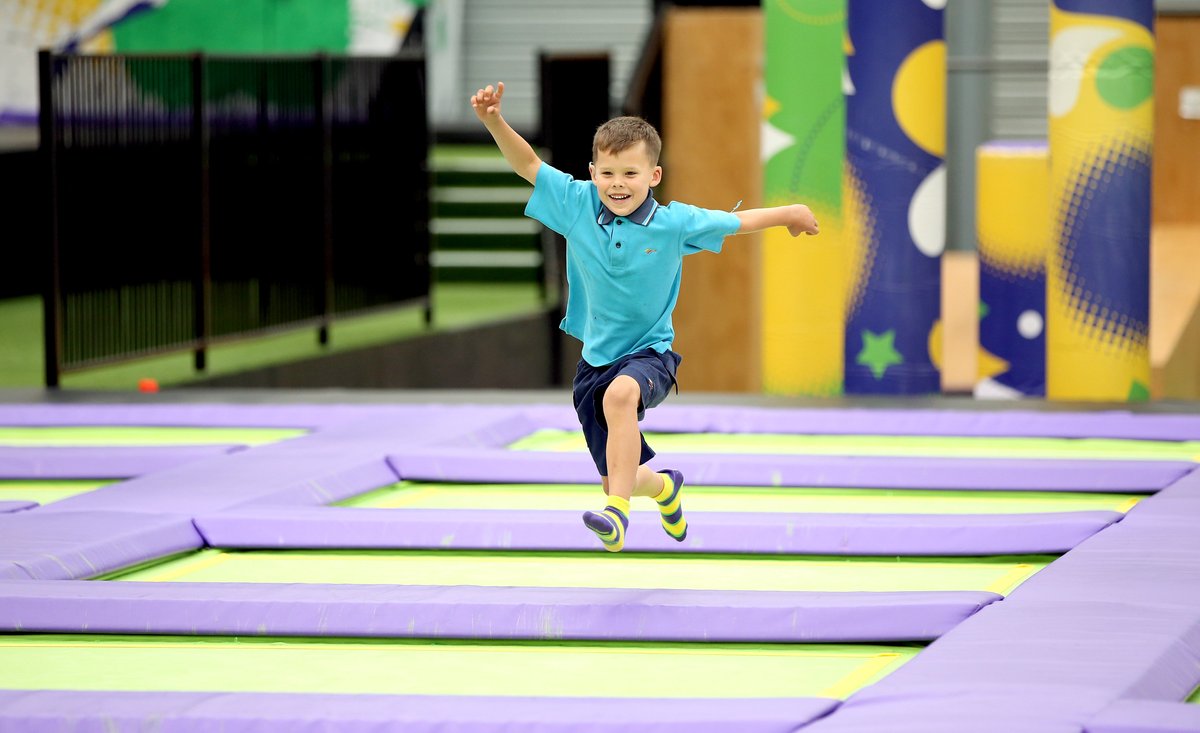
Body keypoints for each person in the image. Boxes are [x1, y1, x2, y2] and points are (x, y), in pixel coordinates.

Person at [470, 82, 819, 552]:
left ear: (653, 176)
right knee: (622, 475)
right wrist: (493, 120)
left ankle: (617, 515)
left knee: (621, 397)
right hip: (594, 362)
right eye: (608, 173)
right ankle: (664, 488)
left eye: (630, 174)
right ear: (592, 172)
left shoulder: (674, 224)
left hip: (649, 354)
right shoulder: (576, 205)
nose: (618, 184)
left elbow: (735, 222)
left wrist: (791, 212)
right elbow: (528, 164)